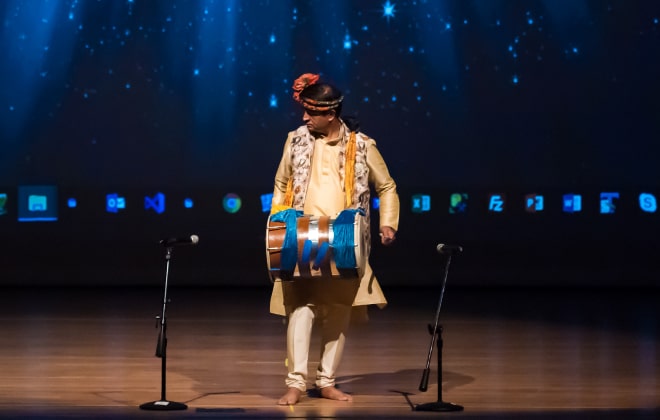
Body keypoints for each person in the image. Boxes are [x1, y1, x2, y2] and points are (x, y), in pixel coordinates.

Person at [268, 73, 400, 405]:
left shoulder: (362, 144)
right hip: (301, 237)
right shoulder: (295, 140)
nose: (304, 118)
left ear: (330, 113)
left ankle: (326, 380)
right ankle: (296, 382)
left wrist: (388, 224)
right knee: (301, 308)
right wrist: (278, 223)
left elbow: (386, 186)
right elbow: (281, 182)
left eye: (311, 113)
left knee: (339, 309)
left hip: (343, 238)